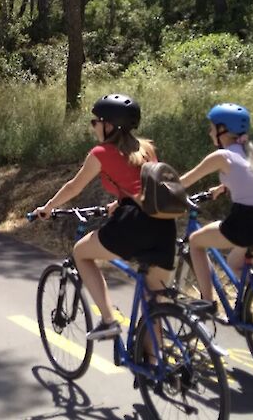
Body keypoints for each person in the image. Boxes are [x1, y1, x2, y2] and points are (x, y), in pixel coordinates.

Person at [31, 94, 174, 341]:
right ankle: (155, 368)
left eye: (95, 121)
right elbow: (145, 188)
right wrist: (120, 202)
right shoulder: (147, 149)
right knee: (154, 307)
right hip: (164, 226)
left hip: (134, 224)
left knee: (81, 253)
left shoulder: (101, 152)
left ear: (109, 125)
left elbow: (74, 187)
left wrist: (47, 207)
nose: (93, 126)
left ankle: (109, 319)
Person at [179, 103, 253, 312]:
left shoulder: (221, 157)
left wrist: (159, 188)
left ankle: (207, 302)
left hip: (245, 222)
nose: (210, 132)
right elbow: (248, 178)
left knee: (195, 241)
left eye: (212, 127)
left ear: (223, 130)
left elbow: (184, 182)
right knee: (237, 264)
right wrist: (223, 187)